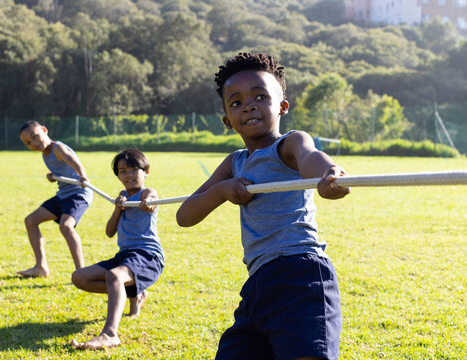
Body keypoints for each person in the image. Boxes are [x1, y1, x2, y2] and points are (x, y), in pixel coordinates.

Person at [176, 52, 351, 360]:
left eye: (260, 96)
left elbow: (310, 157)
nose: (249, 105)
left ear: (282, 106)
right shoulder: (234, 163)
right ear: (228, 121)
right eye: (236, 102)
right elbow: (185, 215)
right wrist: (222, 190)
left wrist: (328, 174)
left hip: (301, 275)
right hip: (258, 285)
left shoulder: (289, 144)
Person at [71, 149, 165, 350]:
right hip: (124, 256)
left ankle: (110, 334)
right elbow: (109, 232)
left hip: (147, 255)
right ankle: (134, 293)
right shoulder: (121, 197)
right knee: (79, 277)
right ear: (118, 176)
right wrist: (118, 208)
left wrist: (147, 204)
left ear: (146, 171)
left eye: (133, 169)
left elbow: (151, 202)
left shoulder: (147, 193)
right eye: (122, 171)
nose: (128, 175)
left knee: (114, 276)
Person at [18, 120, 93, 277]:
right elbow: (62, 170)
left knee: (66, 227)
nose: (33, 143)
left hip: (78, 194)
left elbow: (71, 159)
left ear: (44, 130)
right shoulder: (45, 154)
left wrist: (82, 175)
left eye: (35, 136)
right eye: (28, 142)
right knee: (30, 221)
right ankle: (41, 267)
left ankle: (81, 272)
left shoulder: (57, 148)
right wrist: (54, 177)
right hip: (63, 195)